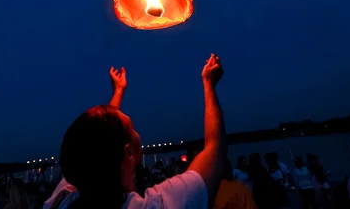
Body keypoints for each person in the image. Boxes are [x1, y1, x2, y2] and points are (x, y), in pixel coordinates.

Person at [44, 53, 226, 209]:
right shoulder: (157, 204)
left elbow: (95, 142)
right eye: (132, 128)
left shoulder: (61, 200)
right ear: (129, 153)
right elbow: (214, 150)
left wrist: (118, 92)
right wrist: (209, 84)